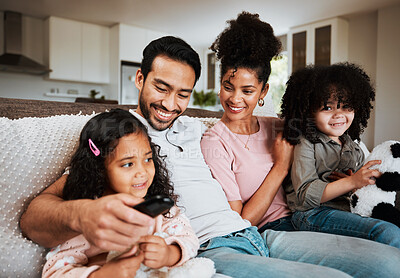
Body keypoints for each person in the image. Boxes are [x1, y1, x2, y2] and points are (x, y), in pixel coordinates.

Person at [20, 28, 400, 278]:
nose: (171, 104)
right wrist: (84, 212)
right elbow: (35, 215)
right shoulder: (121, 135)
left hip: (256, 234)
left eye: (183, 94)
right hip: (208, 245)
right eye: (161, 87)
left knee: (388, 262)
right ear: (139, 78)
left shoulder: (195, 127)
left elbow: (274, 122)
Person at [41, 109, 199, 278]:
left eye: (147, 159)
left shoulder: (159, 209)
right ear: (100, 169)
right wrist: (100, 275)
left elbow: (189, 239)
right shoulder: (88, 221)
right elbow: (55, 271)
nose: (142, 172)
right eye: (127, 164)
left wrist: (169, 253)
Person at [280, 63, 400, 248]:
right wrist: (351, 183)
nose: (339, 115)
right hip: (312, 214)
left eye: (346, 107)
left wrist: (358, 184)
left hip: (348, 209)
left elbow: (361, 188)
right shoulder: (306, 142)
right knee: (387, 233)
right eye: (327, 108)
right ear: (309, 110)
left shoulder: (353, 145)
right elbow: (304, 197)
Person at [200, 12, 295, 234]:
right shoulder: (215, 142)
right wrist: (281, 167)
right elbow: (239, 221)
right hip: (271, 231)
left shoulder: (276, 126)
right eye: (228, 87)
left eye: (247, 91)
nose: (235, 99)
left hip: (306, 217)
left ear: (263, 91)